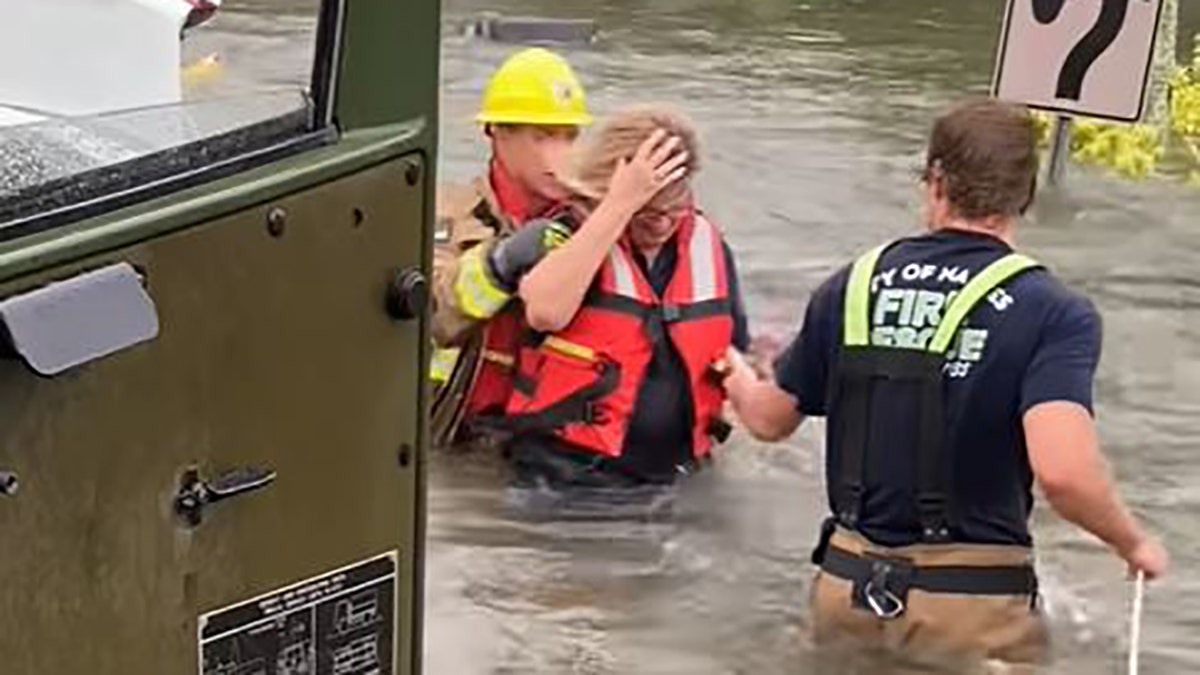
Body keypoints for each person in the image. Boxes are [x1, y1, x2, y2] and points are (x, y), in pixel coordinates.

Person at [722, 98, 1168, 669]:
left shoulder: (849, 287)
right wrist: (1131, 543)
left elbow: (766, 419)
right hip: (972, 611)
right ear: (1024, 195)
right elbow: (1064, 473)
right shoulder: (1052, 311)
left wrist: (730, 370)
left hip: (844, 589)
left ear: (935, 181)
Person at [489, 107, 752, 490]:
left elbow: (736, 353)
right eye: (647, 213)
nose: (662, 224)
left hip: (674, 478)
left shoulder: (707, 247)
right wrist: (619, 205)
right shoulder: (565, 235)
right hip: (566, 479)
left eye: (674, 209)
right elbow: (545, 312)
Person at [429, 46, 592, 447]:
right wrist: (503, 260)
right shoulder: (444, 215)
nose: (562, 155)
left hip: (551, 452)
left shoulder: (593, 225)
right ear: (498, 133)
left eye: (570, 137)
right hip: (454, 440)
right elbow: (434, 315)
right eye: (544, 137)